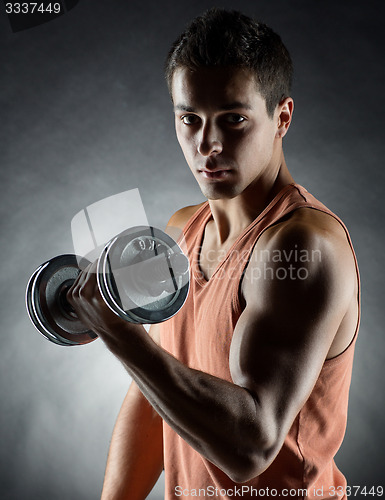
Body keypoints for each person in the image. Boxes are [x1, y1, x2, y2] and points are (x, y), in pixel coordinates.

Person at [68, 8, 360, 500]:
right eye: (190, 119)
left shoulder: (304, 245)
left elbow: (251, 447)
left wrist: (120, 334)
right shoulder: (182, 229)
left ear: (282, 117)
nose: (208, 144)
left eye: (234, 120)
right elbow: (156, 389)